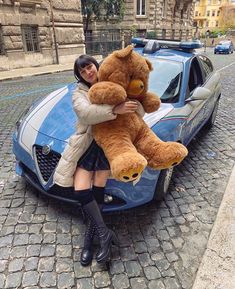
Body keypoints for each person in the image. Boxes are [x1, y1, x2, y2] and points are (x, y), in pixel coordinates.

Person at [53, 54, 145, 266]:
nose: (88, 72)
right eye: (82, 71)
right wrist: (114, 109)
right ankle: (103, 234)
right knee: (81, 189)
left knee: (97, 191)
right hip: (87, 144)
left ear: (96, 65)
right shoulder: (79, 93)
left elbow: (138, 108)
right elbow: (85, 114)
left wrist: (132, 105)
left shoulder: (114, 80)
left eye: (89, 67)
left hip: (109, 144)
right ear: (79, 76)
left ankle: (90, 240)